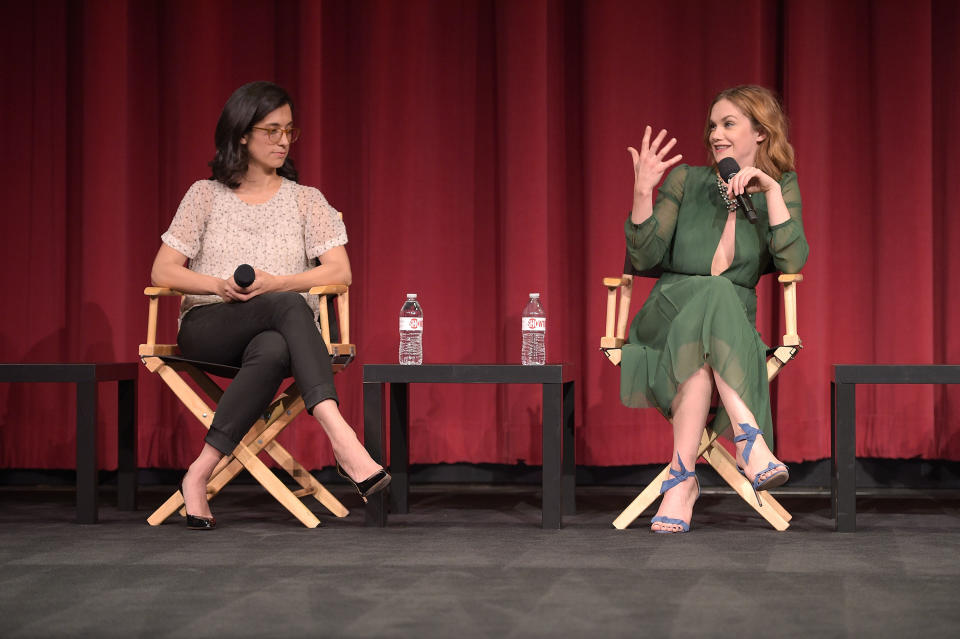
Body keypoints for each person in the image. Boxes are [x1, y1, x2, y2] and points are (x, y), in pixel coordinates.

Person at [151, 81, 390, 529]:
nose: (283, 141)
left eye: (289, 131)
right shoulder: (204, 195)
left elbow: (341, 272)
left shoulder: (307, 201)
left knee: (276, 342)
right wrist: (219, 286)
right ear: (242, 133)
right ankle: (343, 439)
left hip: (282, 337)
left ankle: (197, 474)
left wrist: (277, 282)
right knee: (287, 306)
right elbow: (162, 271)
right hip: (210, 326)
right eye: (272, 130)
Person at [620, 85, 808, 533]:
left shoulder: (778, 187)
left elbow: (792, 261)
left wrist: (772, 192)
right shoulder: (688, 180)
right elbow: (644, 259)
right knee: (714, 290)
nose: (716, 135)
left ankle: (681, 482)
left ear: (760, 133)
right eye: (713, 125)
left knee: (714, 322)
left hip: (726, 332)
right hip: (667, 315)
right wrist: (643, 192)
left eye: (728, 124)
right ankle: (749, 440)